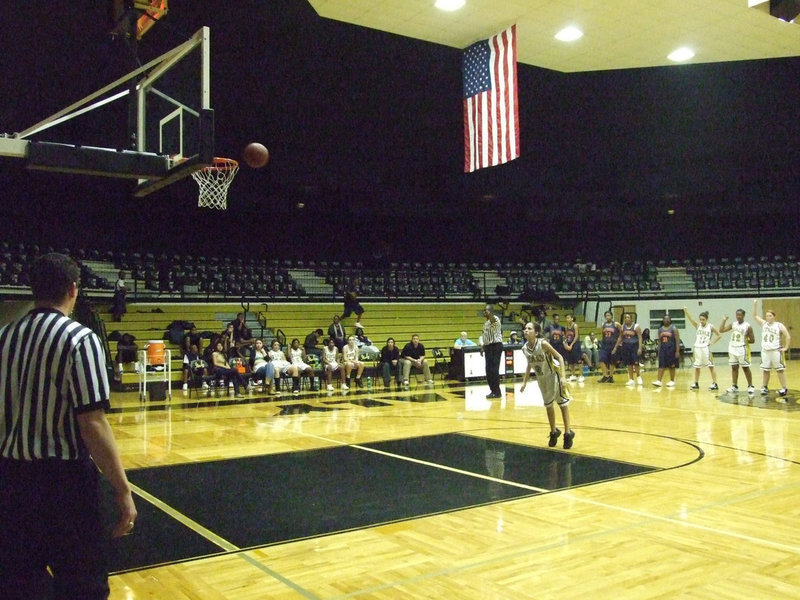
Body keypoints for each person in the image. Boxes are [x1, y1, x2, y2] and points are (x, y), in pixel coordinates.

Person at [0, 253, 137, 599]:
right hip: (63, 484)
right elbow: (92, 423)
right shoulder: (80, 339)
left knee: (19, 583)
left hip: (11, 478)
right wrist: (122, 490)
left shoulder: (5, 337)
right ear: (73, 290)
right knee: (82, 585)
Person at [519, 321, 575, 450]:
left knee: (562, 404)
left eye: (529, 328)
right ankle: (553, 432)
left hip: (553, 376)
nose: (526, 330)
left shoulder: (542, 344)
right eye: (525, 328)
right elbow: (529, 364)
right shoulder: (524, 348)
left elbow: (560, 357)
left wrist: (563, 377)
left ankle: (567, 433)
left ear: (536, 332)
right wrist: (524, 382)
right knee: (548, 406)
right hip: (541, 379)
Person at [753, 299, 791, 396]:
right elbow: (754, 316)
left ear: (774, 317)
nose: (768, 317)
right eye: (767, 316)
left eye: (770, 315)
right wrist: (755, 304)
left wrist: (786, 347)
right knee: (766, 370)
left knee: (779, 370)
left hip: (775, 351)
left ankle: (784, 388)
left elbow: (787, 336)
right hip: (765, 351)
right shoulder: (763, 324)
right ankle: (764, 387)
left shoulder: (779, 325)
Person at [684, 307, 721, 391]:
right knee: (697, 366)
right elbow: (691, 319)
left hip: (705, 348)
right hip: (697, 348)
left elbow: (719, 335)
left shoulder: (711, 327)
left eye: (703, 319)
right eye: (700, 319)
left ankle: (715, 383)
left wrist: (712, 342)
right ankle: (696, 383)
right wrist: (686, 311)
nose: (701, 321)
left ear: (706, 319)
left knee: (711, 366)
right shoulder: (698, 325)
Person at [719, 309, 755, 395]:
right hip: (732, 348)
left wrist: (744, 342)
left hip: (742, 349)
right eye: (737, 315)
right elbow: (721, 330)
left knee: (745, 368)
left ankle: (750, 386)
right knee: (734, 367)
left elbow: (753, 340)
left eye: (740, 315)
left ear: (743, 316)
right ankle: (734, 386)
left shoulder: (747, 326)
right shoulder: (733, 324)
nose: (738, 316)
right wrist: (724, 320)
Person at [613, 312, 643, 386]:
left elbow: (640, 337)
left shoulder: (636, 326)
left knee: (635, 362)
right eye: (625, 317)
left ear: (631, 319)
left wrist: (640, 348)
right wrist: (615, 347)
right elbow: (620, 337)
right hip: (626, 346)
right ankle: (631, 379)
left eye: (628, 317)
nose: (626, 319)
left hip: (634, 346)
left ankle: (639, 377)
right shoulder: (623, 327)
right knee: (629, 363)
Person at [481, 304, 503, 398]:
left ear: (491, 311)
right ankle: (492, 390)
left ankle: (497, 392)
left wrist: (490, 312)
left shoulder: (495, 319)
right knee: (488, 370)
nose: (485, 312)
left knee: (494, 370)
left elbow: (492, 319)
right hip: (488, 347)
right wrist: (483, 347)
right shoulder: (485, 324)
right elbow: (485, 336)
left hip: (496, 346)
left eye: (487, 310)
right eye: (484, 310)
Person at [652, 314, 680, 387]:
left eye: (668, 319)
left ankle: (672, 380)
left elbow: (677, 341)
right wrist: (658, 350)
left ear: (670, 320)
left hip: (671, 349)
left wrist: (677, 351)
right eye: (665, 319)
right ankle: (659, 381)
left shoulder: (674, 328)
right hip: (663, 349)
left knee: (672, 366)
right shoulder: (660, 329)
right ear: (663, 320)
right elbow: (659, 341)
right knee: (661, 365)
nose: (666, 320)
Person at [598, 311, 621, 383]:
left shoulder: (616, 324)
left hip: (613, 344)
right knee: (601, 359)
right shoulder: (603, 324)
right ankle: (605, 375)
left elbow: (621, 334)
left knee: (612, 361)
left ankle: (611, 376)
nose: (608, 317)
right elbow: (602, 334)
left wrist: (618, 344)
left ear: (612, 316)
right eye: (606, 316)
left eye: (609, 315)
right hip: (605, 345)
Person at [563, 314, 586, 383]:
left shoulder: (575, 325)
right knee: (570, 360)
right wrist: (567, 345)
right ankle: (573, 375)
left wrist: (572, 344)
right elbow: (566, 336)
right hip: (569, 344)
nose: (567, 319)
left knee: (578, 360)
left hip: (575, 344)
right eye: (566, 318)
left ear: (572, 319)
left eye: (568, 318)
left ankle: (581, 375)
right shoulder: (566, 326)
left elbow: (576, 336)